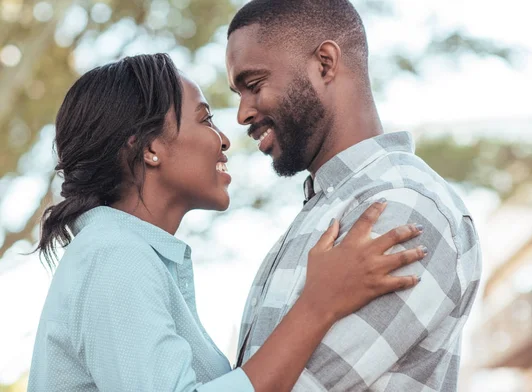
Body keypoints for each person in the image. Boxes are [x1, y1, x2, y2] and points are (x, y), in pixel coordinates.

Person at [27, 53, 426, 392]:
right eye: (204, 120)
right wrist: (318, 305)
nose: (224, 138)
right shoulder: (114, 257)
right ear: (150, 149)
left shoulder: (121, 254)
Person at [226, 1, 483, 391]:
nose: (242, 113)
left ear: (325, 63)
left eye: (255, 84)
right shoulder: (326, 208)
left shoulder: (402, 205)